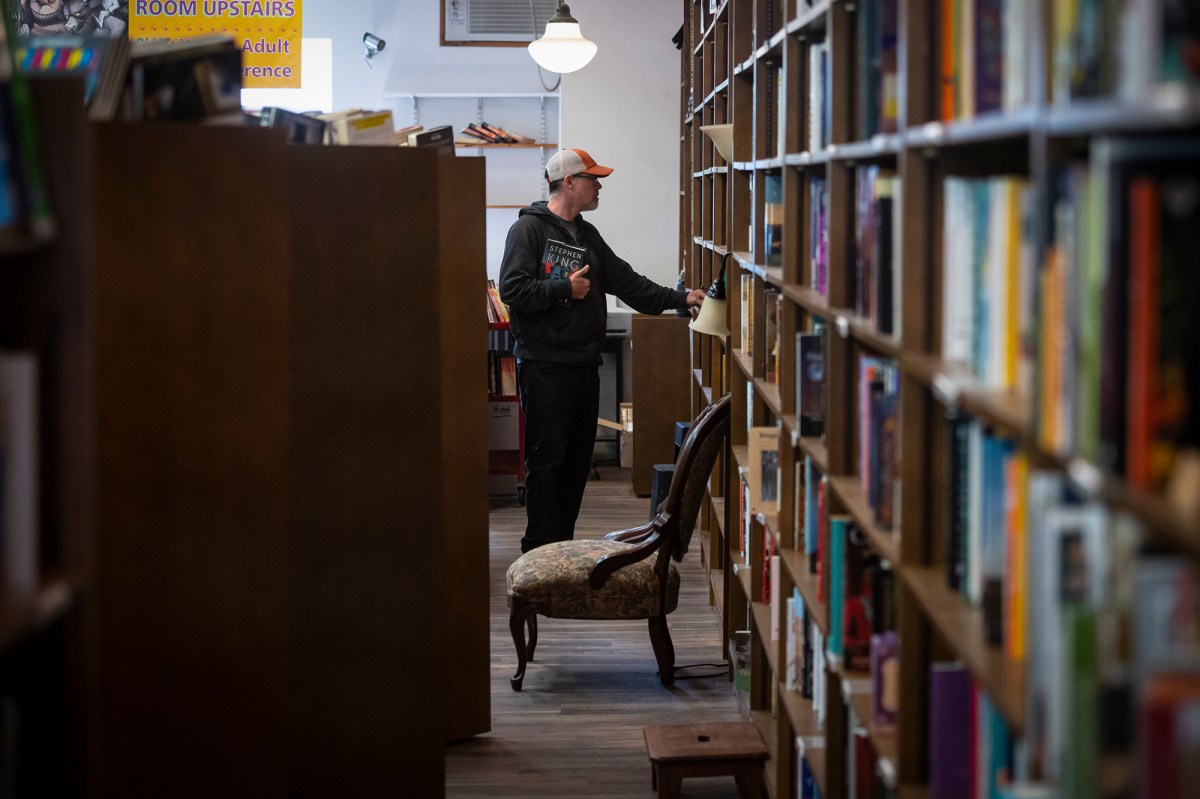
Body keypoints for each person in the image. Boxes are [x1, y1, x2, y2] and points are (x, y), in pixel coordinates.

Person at [499, 148, 706, 554]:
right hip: (545, 367)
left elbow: (626, 282)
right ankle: (538, 554)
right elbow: (512, 290)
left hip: (581, 365)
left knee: (576, 464)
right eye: (593, 179)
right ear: (570, 182)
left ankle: (562, 549)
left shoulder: (586, 234)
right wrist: (564, 288)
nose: (599, 187)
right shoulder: (528, 231)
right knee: (547, 462)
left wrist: (681, 299)